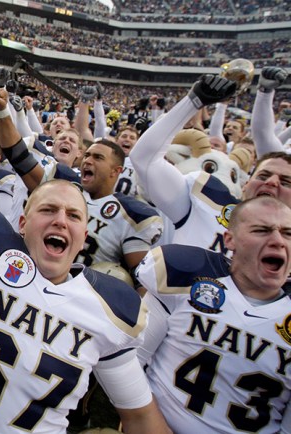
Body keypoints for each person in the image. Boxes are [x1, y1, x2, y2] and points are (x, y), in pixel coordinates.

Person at [0, 15, 169, 434]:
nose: (61, 219)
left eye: (74, 215)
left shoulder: (111, 310)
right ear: (23, 222)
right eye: (48, 210)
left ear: (84, 235)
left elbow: (138, 415)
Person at [135, 196, 291, 433]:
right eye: (262, 230)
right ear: (229, 239)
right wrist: (148, 423)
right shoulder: (185, 278)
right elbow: (130, 360)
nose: (278, 241)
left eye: (288, 233)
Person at [130, 74, 291, 253]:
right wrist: (193, 102)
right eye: (263, 175)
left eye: (285, 182)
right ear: (245, 184)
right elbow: (144, 158)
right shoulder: (207, 202)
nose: (272, 182)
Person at [77, 139, 162, 273]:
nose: (87, 160)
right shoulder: (68, 188)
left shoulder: (130, 215)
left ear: (115, 171)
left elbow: (141, 280)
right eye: (87, 155)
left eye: (98, 157)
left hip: (88, 288)